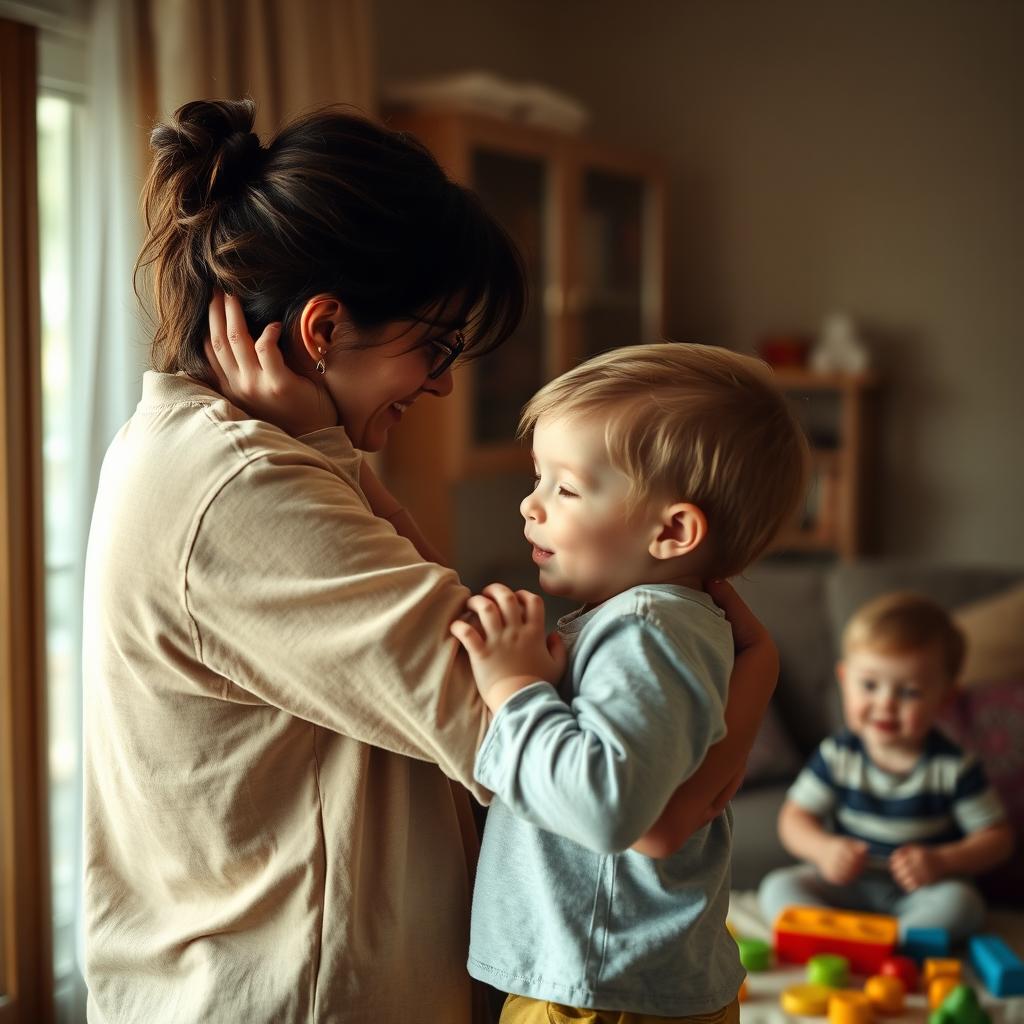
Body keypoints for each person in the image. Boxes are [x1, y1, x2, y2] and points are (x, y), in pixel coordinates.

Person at [83, 96, 781, 1024]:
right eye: (437, 345)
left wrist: (327, 447)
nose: (447, 382)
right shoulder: (245, 488)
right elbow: (587, 776)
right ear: (323, 329)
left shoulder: (219, 452)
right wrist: (752, 676)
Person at [448, 344, 810, 1023]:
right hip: (609, 985)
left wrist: (514, 688)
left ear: (672, 530)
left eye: (565, 488)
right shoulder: (660, 623)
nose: (530, 504)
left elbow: (608, 809)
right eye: (538, 478)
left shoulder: (648, 629)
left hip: (597, 994)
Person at [758, 592, 1014, 942]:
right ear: (844, 680)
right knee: (778, 887)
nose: (886, 704)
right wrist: (824, 849)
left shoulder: (954, 767)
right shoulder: (838, 755)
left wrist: (942, 861)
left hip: (919, 892)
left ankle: (885, 940)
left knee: (963, 905)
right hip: (848, 885)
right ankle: (850, 936)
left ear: (945, 698)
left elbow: (997, 839)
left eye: (909, 693)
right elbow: (793, 819)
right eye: (869, 685)